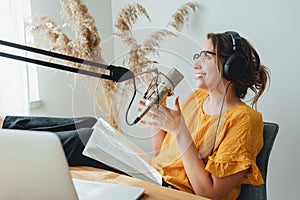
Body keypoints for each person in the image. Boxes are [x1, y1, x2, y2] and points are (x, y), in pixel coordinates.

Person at [137, 31, 270, 199]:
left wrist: (180, 131)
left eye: (206, 57)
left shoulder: (246, 120)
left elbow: (209, 193)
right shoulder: (197, 98)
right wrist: (159, 104)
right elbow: (160, 154)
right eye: (198, 56)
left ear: (232, 66)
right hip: (153, 183)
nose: (196, 64)